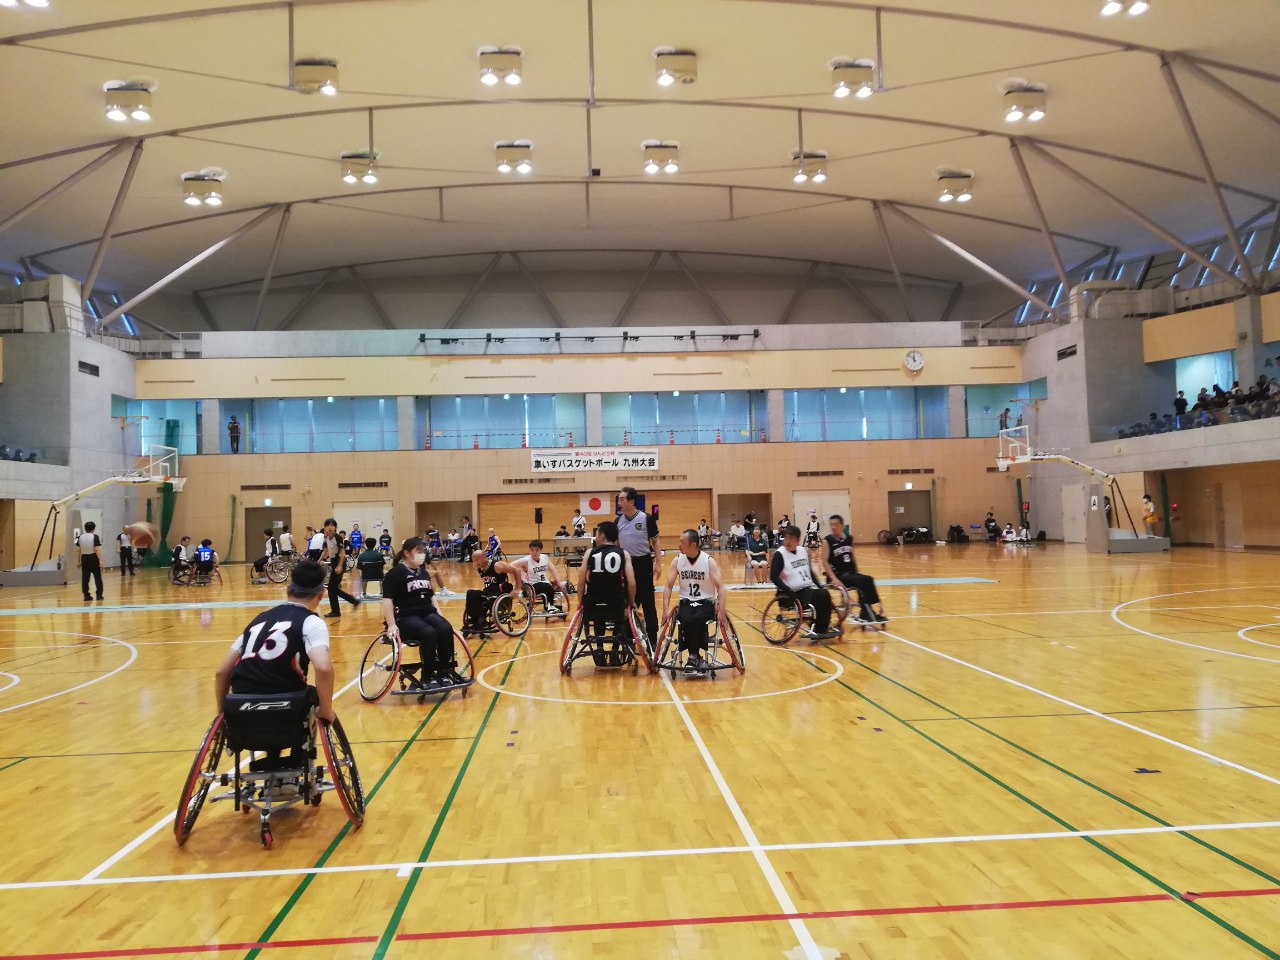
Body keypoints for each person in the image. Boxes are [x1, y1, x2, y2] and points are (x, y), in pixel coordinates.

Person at [211, 561, 337, 771]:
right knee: (311, 695)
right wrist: (326, 710)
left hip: (242, 708)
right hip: (288, 708)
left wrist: (223, 715)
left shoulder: (258, 621)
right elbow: (323, 668)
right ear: (321, 594)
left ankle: (271, 761)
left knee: (273, 691)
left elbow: (222, 671)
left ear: (288, 589)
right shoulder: (311, 622)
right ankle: (297, 759)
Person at [381, 538, 463, 692]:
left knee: (445, 628)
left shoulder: (423, 572)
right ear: (407, 553)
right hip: (406, 615)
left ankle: (444, 672)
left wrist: (440, 616)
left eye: (423, 551)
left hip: (426, 612)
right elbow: (387, 600)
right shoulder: (396, 573)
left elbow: (431, 597)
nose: (422, 554)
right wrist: (391, 624)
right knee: (428, 633)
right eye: (418, 551)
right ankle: (427, 676)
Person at [662, 529, 724, 669]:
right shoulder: (677, 560)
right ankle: (695, 656)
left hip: (706, 602)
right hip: (686, 602)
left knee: (695, 619)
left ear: (693, 544)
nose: (679, 545)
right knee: (685, 619)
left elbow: (721, 588)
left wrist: (722, 611)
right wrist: (665, 609)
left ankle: (693, 656)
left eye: (682, 542)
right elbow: (668, 586)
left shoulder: (708, 561)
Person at [770, 524, 838, 639]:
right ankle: (819, 628)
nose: (788, 541)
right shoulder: (780, 554)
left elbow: (810, 572)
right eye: (786, 538)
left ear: (798, 540)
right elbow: (773, 577)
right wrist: (788, 591)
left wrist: (819, 585)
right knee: (820, 596)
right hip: (791, 594)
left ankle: (821, 626)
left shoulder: (802, 551)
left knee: (824, 593)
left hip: (807, 589)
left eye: (791, 538)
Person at [821, 514, 888, 624]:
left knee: (868, 579)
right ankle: (866, 612)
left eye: (836, 524)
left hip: (850, 573)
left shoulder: (849, 539)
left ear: (842, 525)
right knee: (863, 581)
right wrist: (833, 578)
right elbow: (824, 561)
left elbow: (852, 557)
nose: (833, 527)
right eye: (831, 525)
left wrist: (857, 572)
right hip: (838, 575)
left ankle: (867, 610)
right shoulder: (827, 541)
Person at [576, 520, 636, 642]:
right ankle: (616, 645)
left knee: (598, 608)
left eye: (597, 534)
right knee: (621, 610)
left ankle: (599, 644)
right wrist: (631, 602)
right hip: (617, 601)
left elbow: (581, 582)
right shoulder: (624, 553)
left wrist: (580, 601)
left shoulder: (590, 553)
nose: (595, 537)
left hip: (593, 601)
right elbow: (632, 583)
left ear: (602, 536)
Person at [616, 486, 659, 640]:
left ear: (631, 502)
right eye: (619, 500)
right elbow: (615, 545)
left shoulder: (646, 518)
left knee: (648, 602)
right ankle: (628, 637)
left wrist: (658, 564)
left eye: (622, 500)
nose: (619, 503)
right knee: (628, 602)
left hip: (643, 563)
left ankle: (653, 638)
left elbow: (655, 542)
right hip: (625, 564)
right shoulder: (617, 521)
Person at [463, 548, 518, 635]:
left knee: (473, 594)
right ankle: (476, 619)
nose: (475, 563)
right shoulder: (480, 568)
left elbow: (516, 570)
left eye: (477, 560)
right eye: (473, 561)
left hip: (499, 594)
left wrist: (517, 588)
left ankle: (481, 620)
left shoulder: (497, 565)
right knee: (470, 594)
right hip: (488, 593)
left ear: (484, 557)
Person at [511, 540, 567, 613]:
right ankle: (548, 607)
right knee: (546, 587)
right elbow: (510, 566)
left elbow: (553, 569)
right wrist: (514, 583)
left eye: (537, 550)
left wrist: (559, 582)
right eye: (532, 550)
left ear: (541, 550)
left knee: (561, 585)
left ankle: (552, 606)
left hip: (544, 584)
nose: (534, 552)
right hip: (530, 586)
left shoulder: (545, 558)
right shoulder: (525, 561)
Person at [320, 518, 360, 618]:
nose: (329, 527)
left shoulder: (337, 538)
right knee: (333, 588)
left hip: (339, 563)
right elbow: (325, 551)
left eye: (332, 525)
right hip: (334, 563)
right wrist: (319, 560)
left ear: (335, 527)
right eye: (327, 525)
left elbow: (342, 553)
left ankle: (336, 611)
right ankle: (354, 601)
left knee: (331, 588)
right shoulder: (326, 538)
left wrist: (340, 566)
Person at [77, 521, 104, 602]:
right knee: (97, 578)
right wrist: (100, 560)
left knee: (85, 578)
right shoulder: (95, 536)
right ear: (93, 528)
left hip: (84, 558)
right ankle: (99, 595)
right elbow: (97, 549)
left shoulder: (79, 537)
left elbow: (78, 550)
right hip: (93, 558)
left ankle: (86, 595)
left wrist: (78, 561)